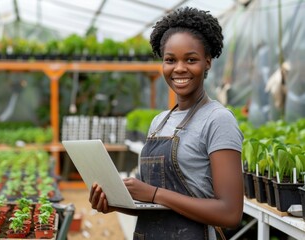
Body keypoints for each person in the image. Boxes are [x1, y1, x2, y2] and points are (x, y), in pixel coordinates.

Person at [89, 6, 244, 240]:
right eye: (170, 60)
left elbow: (230, 213)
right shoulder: (160, 122)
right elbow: (157, 208)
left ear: (208, 62)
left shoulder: (218, 120)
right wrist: (114, 203)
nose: (179, 68)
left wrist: (153, 193)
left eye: (191, 59)